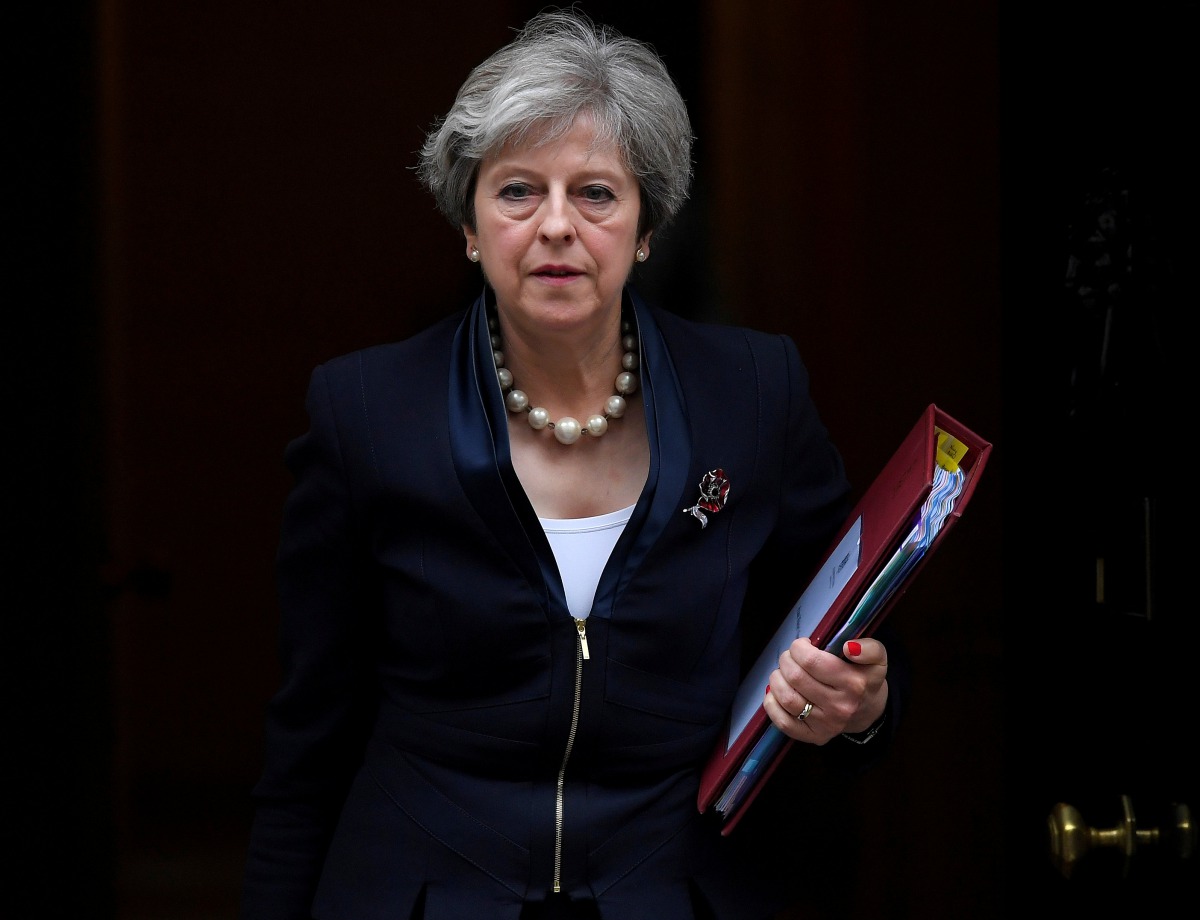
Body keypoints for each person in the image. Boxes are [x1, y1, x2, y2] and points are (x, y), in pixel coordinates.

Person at [240, 9, 905, 920]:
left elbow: (844, 628)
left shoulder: (753, 393)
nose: (556, 226)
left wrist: (864, 705)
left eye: (595, 193)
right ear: (470, 224)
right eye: (517, 192)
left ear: (645, 225)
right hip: (423, 891)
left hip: (679, 888)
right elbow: (306, 740)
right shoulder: (366, 412)